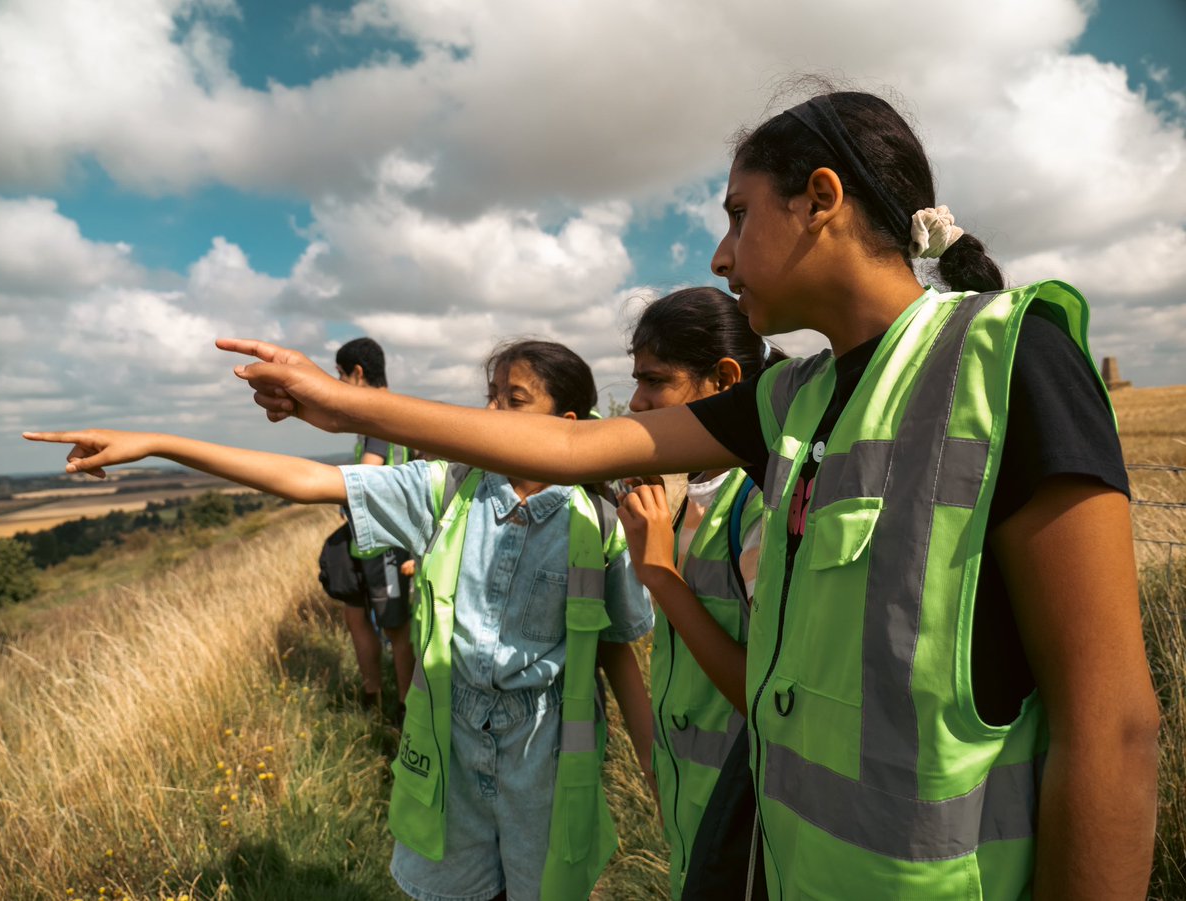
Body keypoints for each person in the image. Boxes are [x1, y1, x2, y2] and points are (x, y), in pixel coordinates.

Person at [206, 87, 1160, 900]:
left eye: (739, 214)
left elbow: (1112, 726)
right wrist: (345, 409)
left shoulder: (1011, 360)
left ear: (820, 200)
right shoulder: (792, 399)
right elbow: (576, 445)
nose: (719, 253)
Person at [25, 338, 653, 901]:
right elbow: (308, 480)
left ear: (569, 426)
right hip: (451, 758)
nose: (488, 417)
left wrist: (656, 770)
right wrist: (161, 444)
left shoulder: (598, 523)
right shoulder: (444, 490)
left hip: (545, 766)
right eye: (489, 398)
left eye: (513, 401)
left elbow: (617, 650)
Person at [619, 286, 776, 899]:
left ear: (724, 379)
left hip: (748, 815)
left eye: (655, 380)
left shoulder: (762, 504)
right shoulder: (686, 497)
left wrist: (660, 575)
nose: (636, 401)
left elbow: (757, 693)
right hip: (695, 801)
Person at [333, 337, 415, 712]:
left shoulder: (381, 414)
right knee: (360, 617)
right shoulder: (384, 413)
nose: (339, 383)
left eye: (340, 375)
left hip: (385, 543)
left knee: (398, 631)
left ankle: (401, 710)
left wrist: (336, 489)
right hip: (367, 541)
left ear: (358, 373)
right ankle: (377, 700)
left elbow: (368, 473)